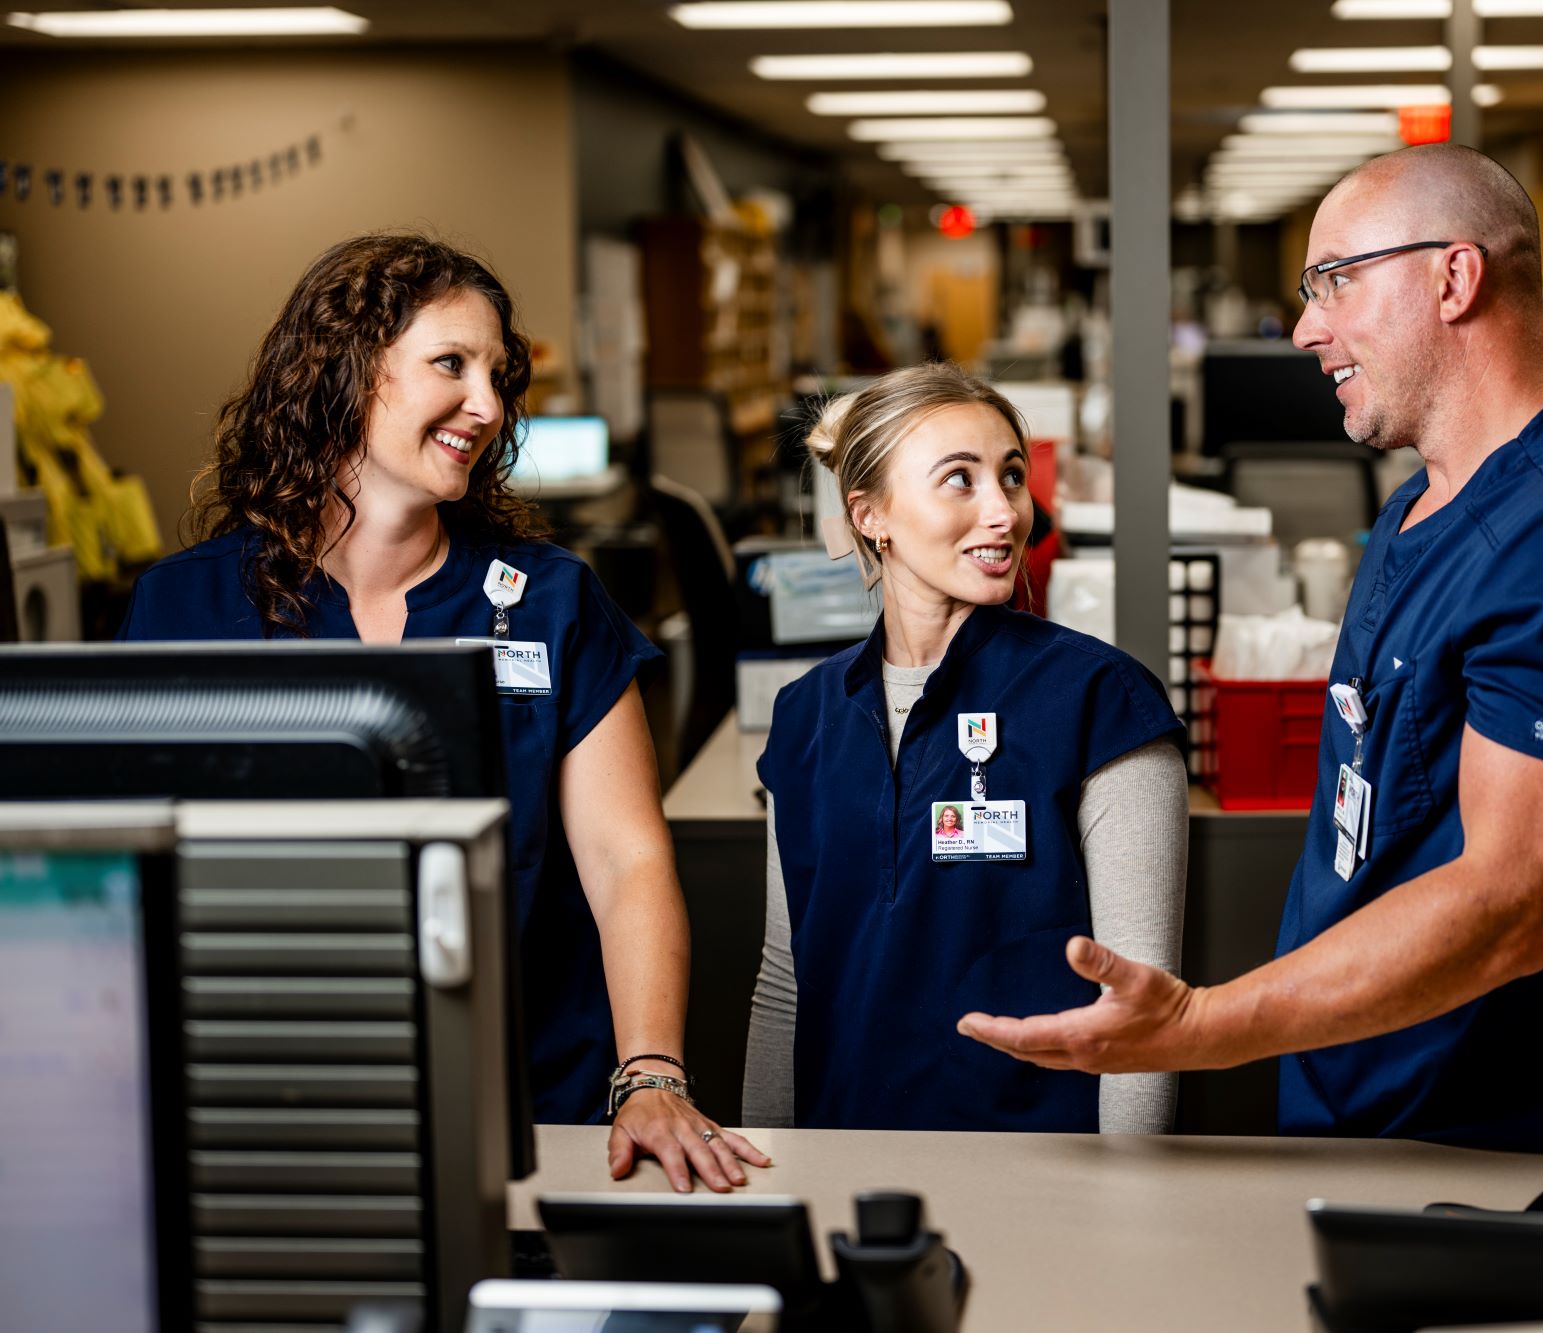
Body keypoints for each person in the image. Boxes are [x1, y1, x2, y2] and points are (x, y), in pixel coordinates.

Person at [959, 144, 1543, 1154]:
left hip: (1506, 1154)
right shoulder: (1421, 503)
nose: (1303, 328)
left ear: (1451, 278)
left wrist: (1200, 1025)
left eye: (1334, 281)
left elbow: (1515, 902)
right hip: (1369, 1113)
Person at [119, 234, 768, 1191]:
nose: (488, 405)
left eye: (500, 377)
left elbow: (627, 860)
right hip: (270, 1107)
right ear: (346, 369)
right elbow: (134, 873)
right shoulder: (189, 607)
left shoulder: (550, 601)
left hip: (535, 1107)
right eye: (451, 365)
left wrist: (651, 1073)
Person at [743, 362, 1188, 1134]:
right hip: (847, 1163)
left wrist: (1127, 1207)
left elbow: (1142, 1005)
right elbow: (786, 982)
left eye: (1012, 477)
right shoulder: (805, 717)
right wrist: (772, 1174)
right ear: (871, 513)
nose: (1005, 511)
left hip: (1043, 1180)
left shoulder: (1102, 700)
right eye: (960, 479)